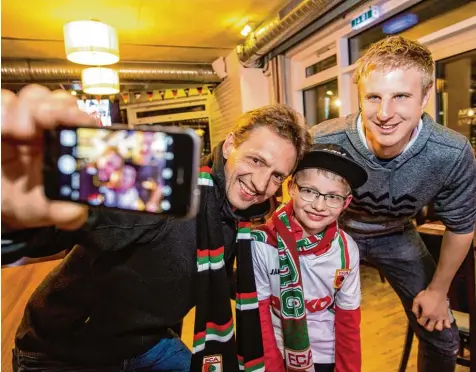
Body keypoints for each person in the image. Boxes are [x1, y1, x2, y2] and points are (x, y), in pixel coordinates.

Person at [1, 84, 311, 372]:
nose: (260, 184)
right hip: (62, 352)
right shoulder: (162, 191)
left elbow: (208, 272)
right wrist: (15, 213)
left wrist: (283, 279)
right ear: (230, 145)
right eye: (256, 160)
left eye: (276, 176)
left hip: (147, 342)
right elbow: (62, 228)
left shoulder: (234, 216)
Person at [310, 35, 476, 372]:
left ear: (425, 97)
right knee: (308, 328)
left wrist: (437, 291)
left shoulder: (451, 152)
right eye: (374, 97)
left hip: (397, 234)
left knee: (442, 337)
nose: (385, 114)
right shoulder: (323, 141)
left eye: (401, 96)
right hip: (336, 232)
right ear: (360, 97)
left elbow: (461, 226)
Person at [252, 144, 367, 372]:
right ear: (291, 188)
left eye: (333, 196)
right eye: (309, 191)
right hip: (277, 347)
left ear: (346, 203)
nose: (319, 205)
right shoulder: (262, 244)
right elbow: (260, 314)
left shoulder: (346, 249)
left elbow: (349, 318)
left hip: (327, 352)